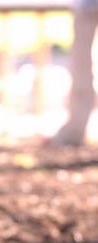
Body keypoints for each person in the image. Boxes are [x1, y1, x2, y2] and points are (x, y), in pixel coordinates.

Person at [48, 0, 98, 147]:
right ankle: (75, 130)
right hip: (87, 5)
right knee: (81, 68)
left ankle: (74, 130)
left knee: (81, 68)